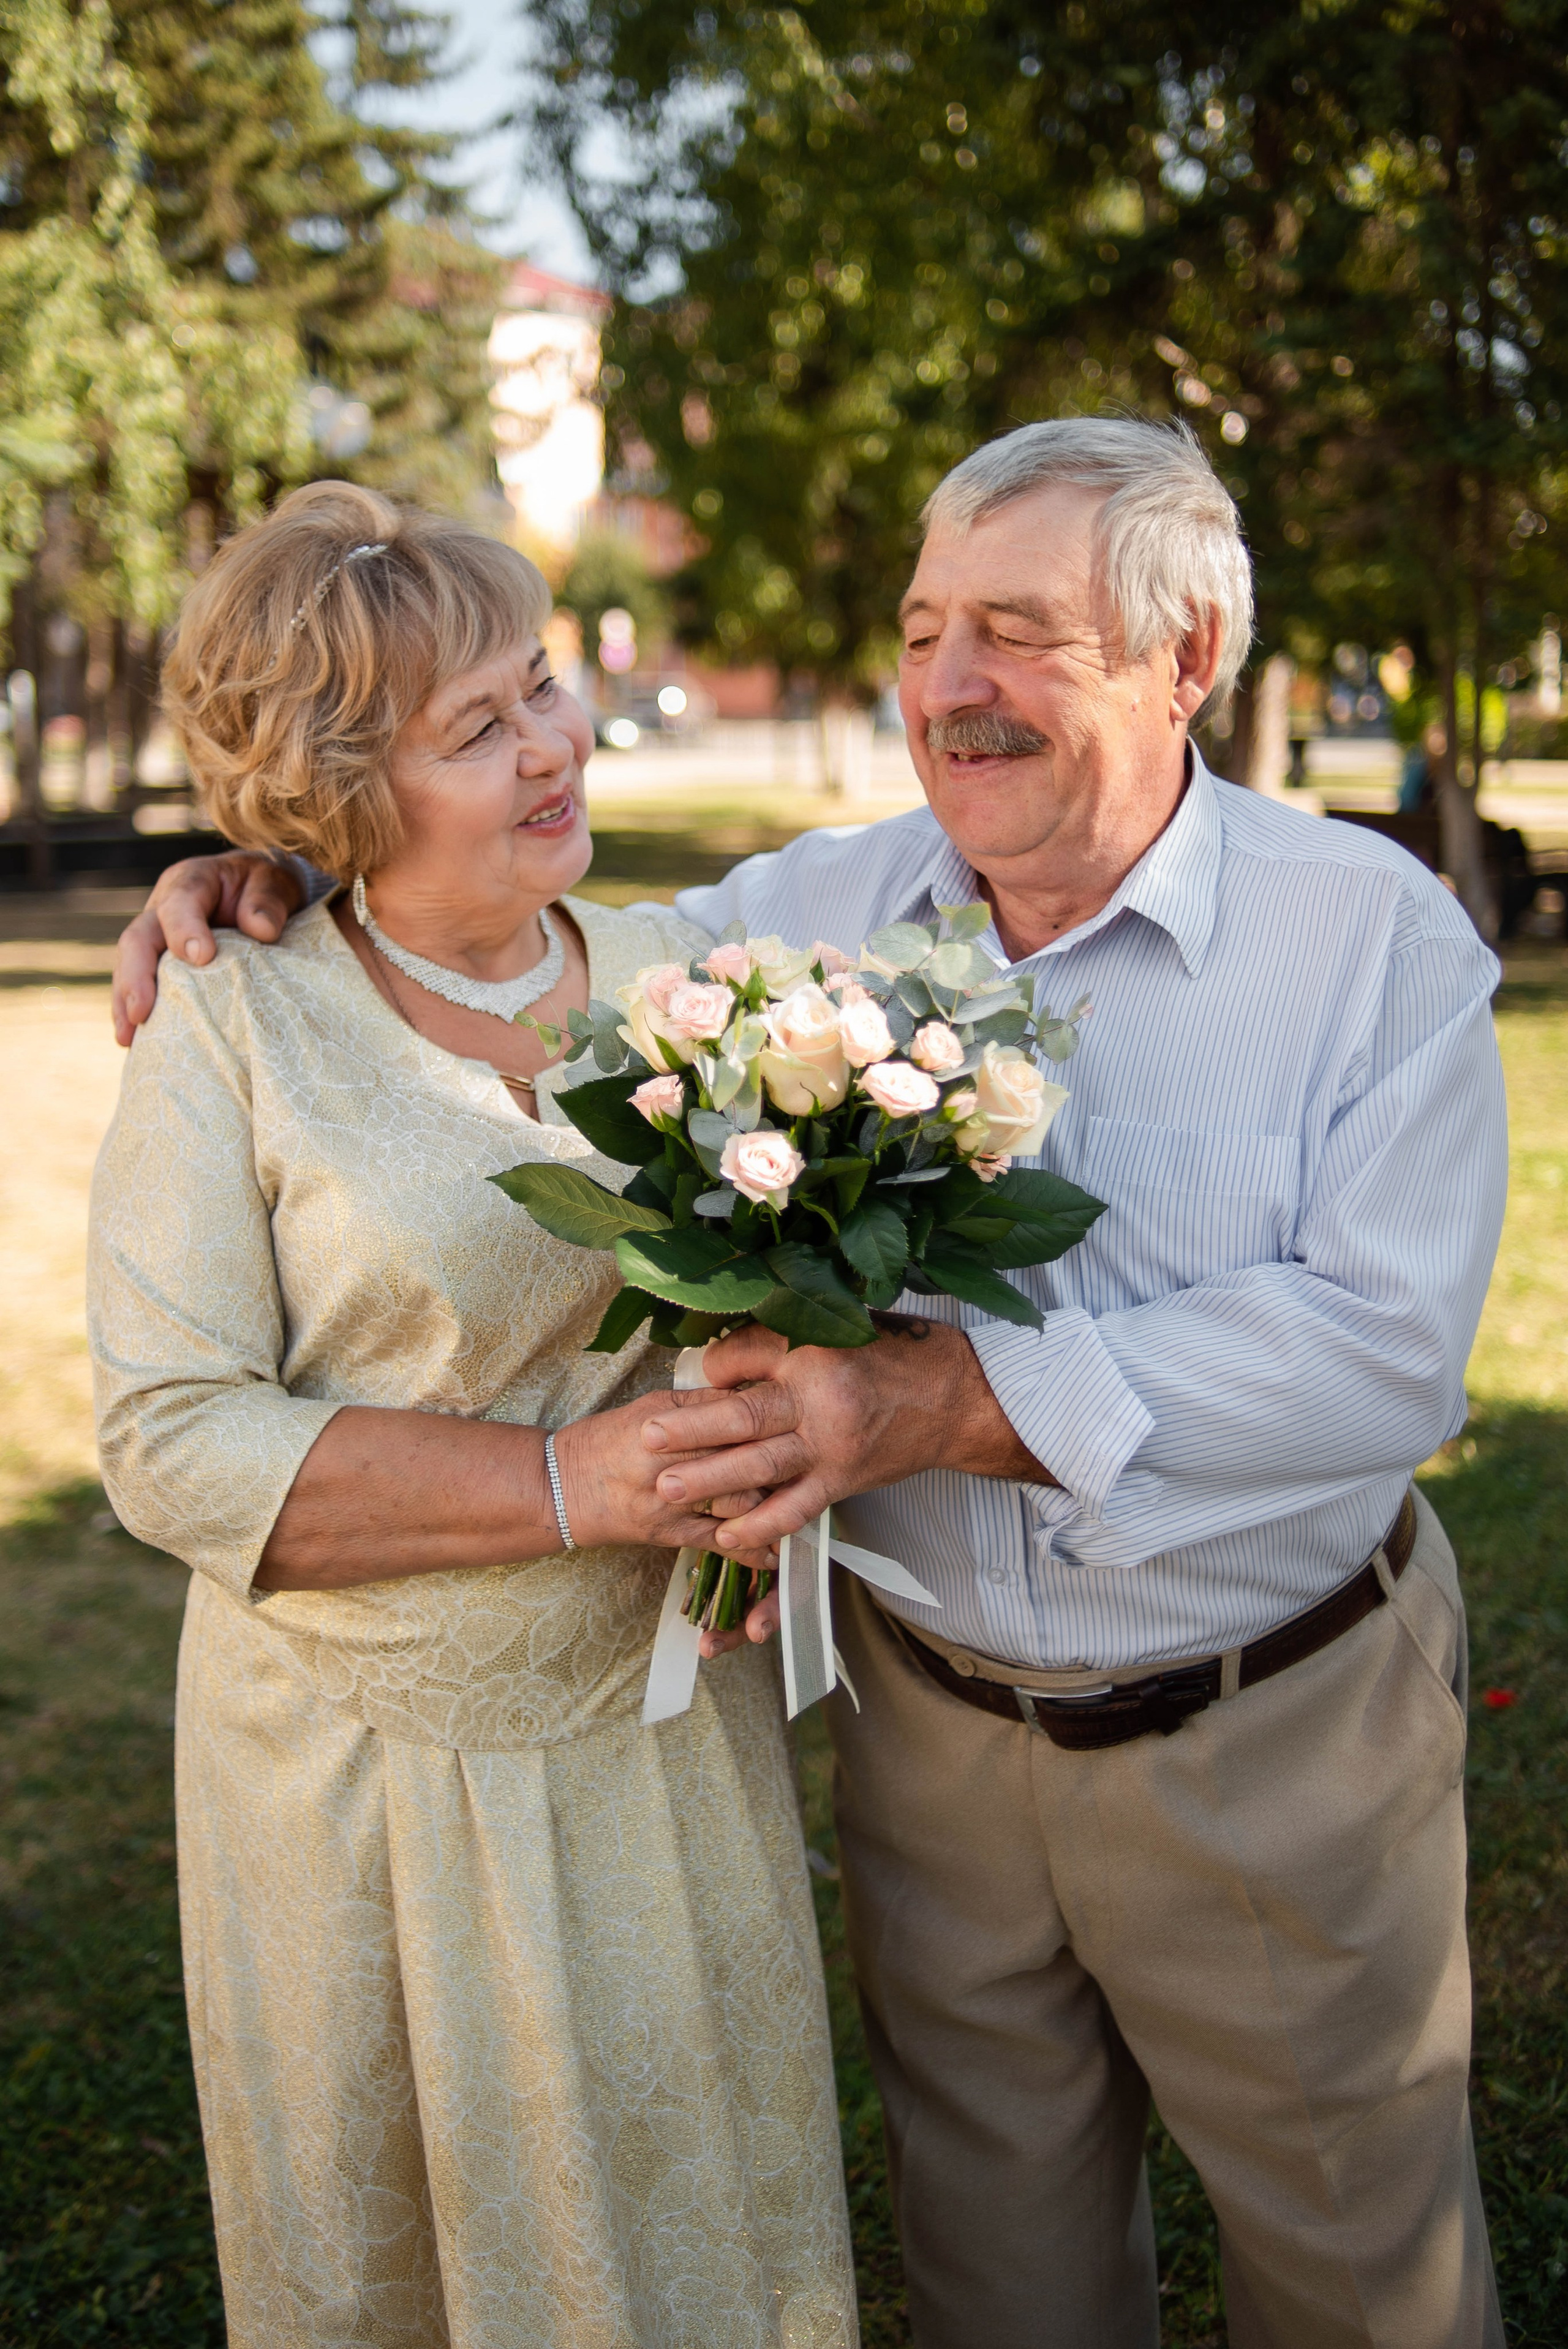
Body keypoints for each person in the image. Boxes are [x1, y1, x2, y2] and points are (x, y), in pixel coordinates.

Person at [114, 420, 1509, 2349]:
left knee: (1365, 2280)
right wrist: (252, 870)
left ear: (1188, 656)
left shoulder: (1370, 943)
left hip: (1269, 1726)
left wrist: (936, 1410)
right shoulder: (795, 922)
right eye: (929, 626)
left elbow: (1382, 1351)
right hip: (925, 1750)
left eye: (1019, 631)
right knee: (997, 2275)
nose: (949, 686)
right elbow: (416, 887)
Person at [88, 483, 857, 2349]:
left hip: (665, 1739)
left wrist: (783, 1436)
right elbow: (169, 1434)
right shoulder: (234, 1014)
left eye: (540, 686)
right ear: (343, 796)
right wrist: (568, 1478)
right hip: (366, 1772)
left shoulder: (700, 967)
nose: (550, 745)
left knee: (700, 2238)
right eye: (477, 728)